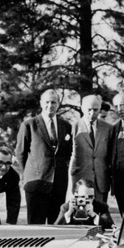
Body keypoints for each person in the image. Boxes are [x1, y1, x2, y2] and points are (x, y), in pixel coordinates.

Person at [15, 89, 73, 224]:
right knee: (36, 227)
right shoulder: (29, 125)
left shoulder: (66, 126)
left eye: (53, 102)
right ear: (41, 103)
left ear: (58, 104)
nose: (50, 105)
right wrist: (33, 172)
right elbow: (20, 153)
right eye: (47, 102)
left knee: (57, 225)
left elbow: (68, 153)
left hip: (59, 184)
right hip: (36, 184)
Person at [69, 94, 115, 204]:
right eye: (89, 109)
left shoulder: (108, 129)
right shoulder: (73, 127)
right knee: (81, 216)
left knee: (100, 216)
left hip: (101, 182)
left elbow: (112, 157)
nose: (92, 113)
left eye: (96, 110)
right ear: (82, 107)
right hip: (80, 181)